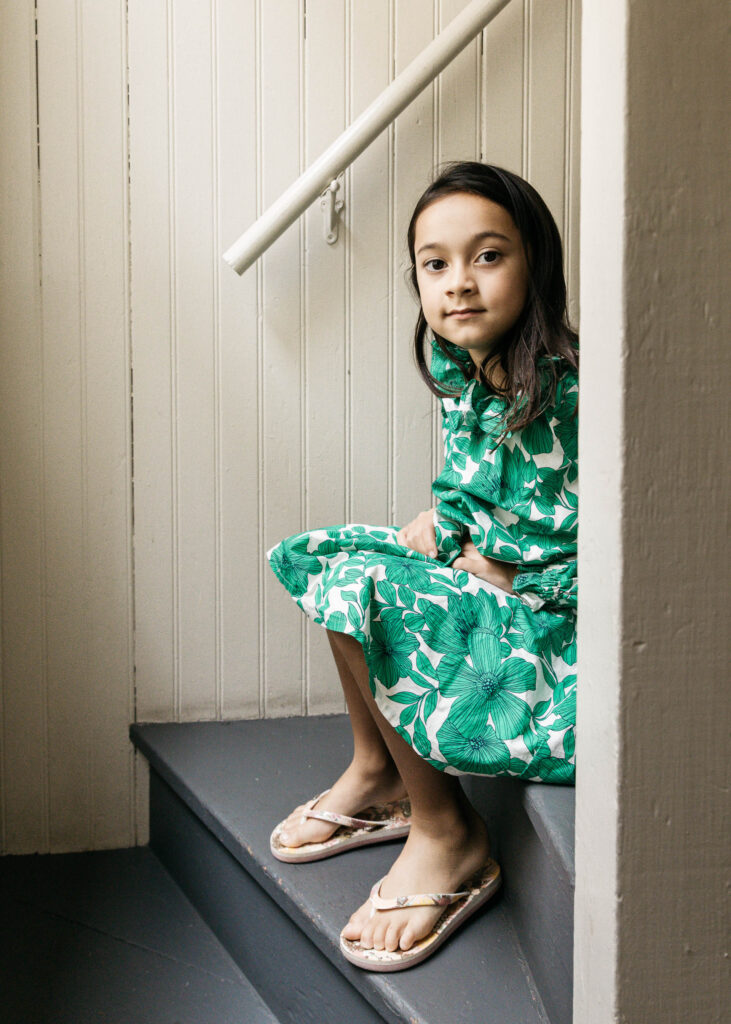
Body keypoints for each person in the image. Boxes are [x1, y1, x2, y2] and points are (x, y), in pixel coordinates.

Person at [267, 161, 578, 972]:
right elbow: (473, 498)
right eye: (435, 264)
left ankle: (451, 834)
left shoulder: (576, 394)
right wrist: (439, 529)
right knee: (330, 557)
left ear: (534, 263)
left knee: (373, 591)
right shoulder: (467, 377)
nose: (459, 284)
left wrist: (516, 579)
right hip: (507, 603)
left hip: (566, 653)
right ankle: (380, 776)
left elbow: (643, 548)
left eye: (487, 256)